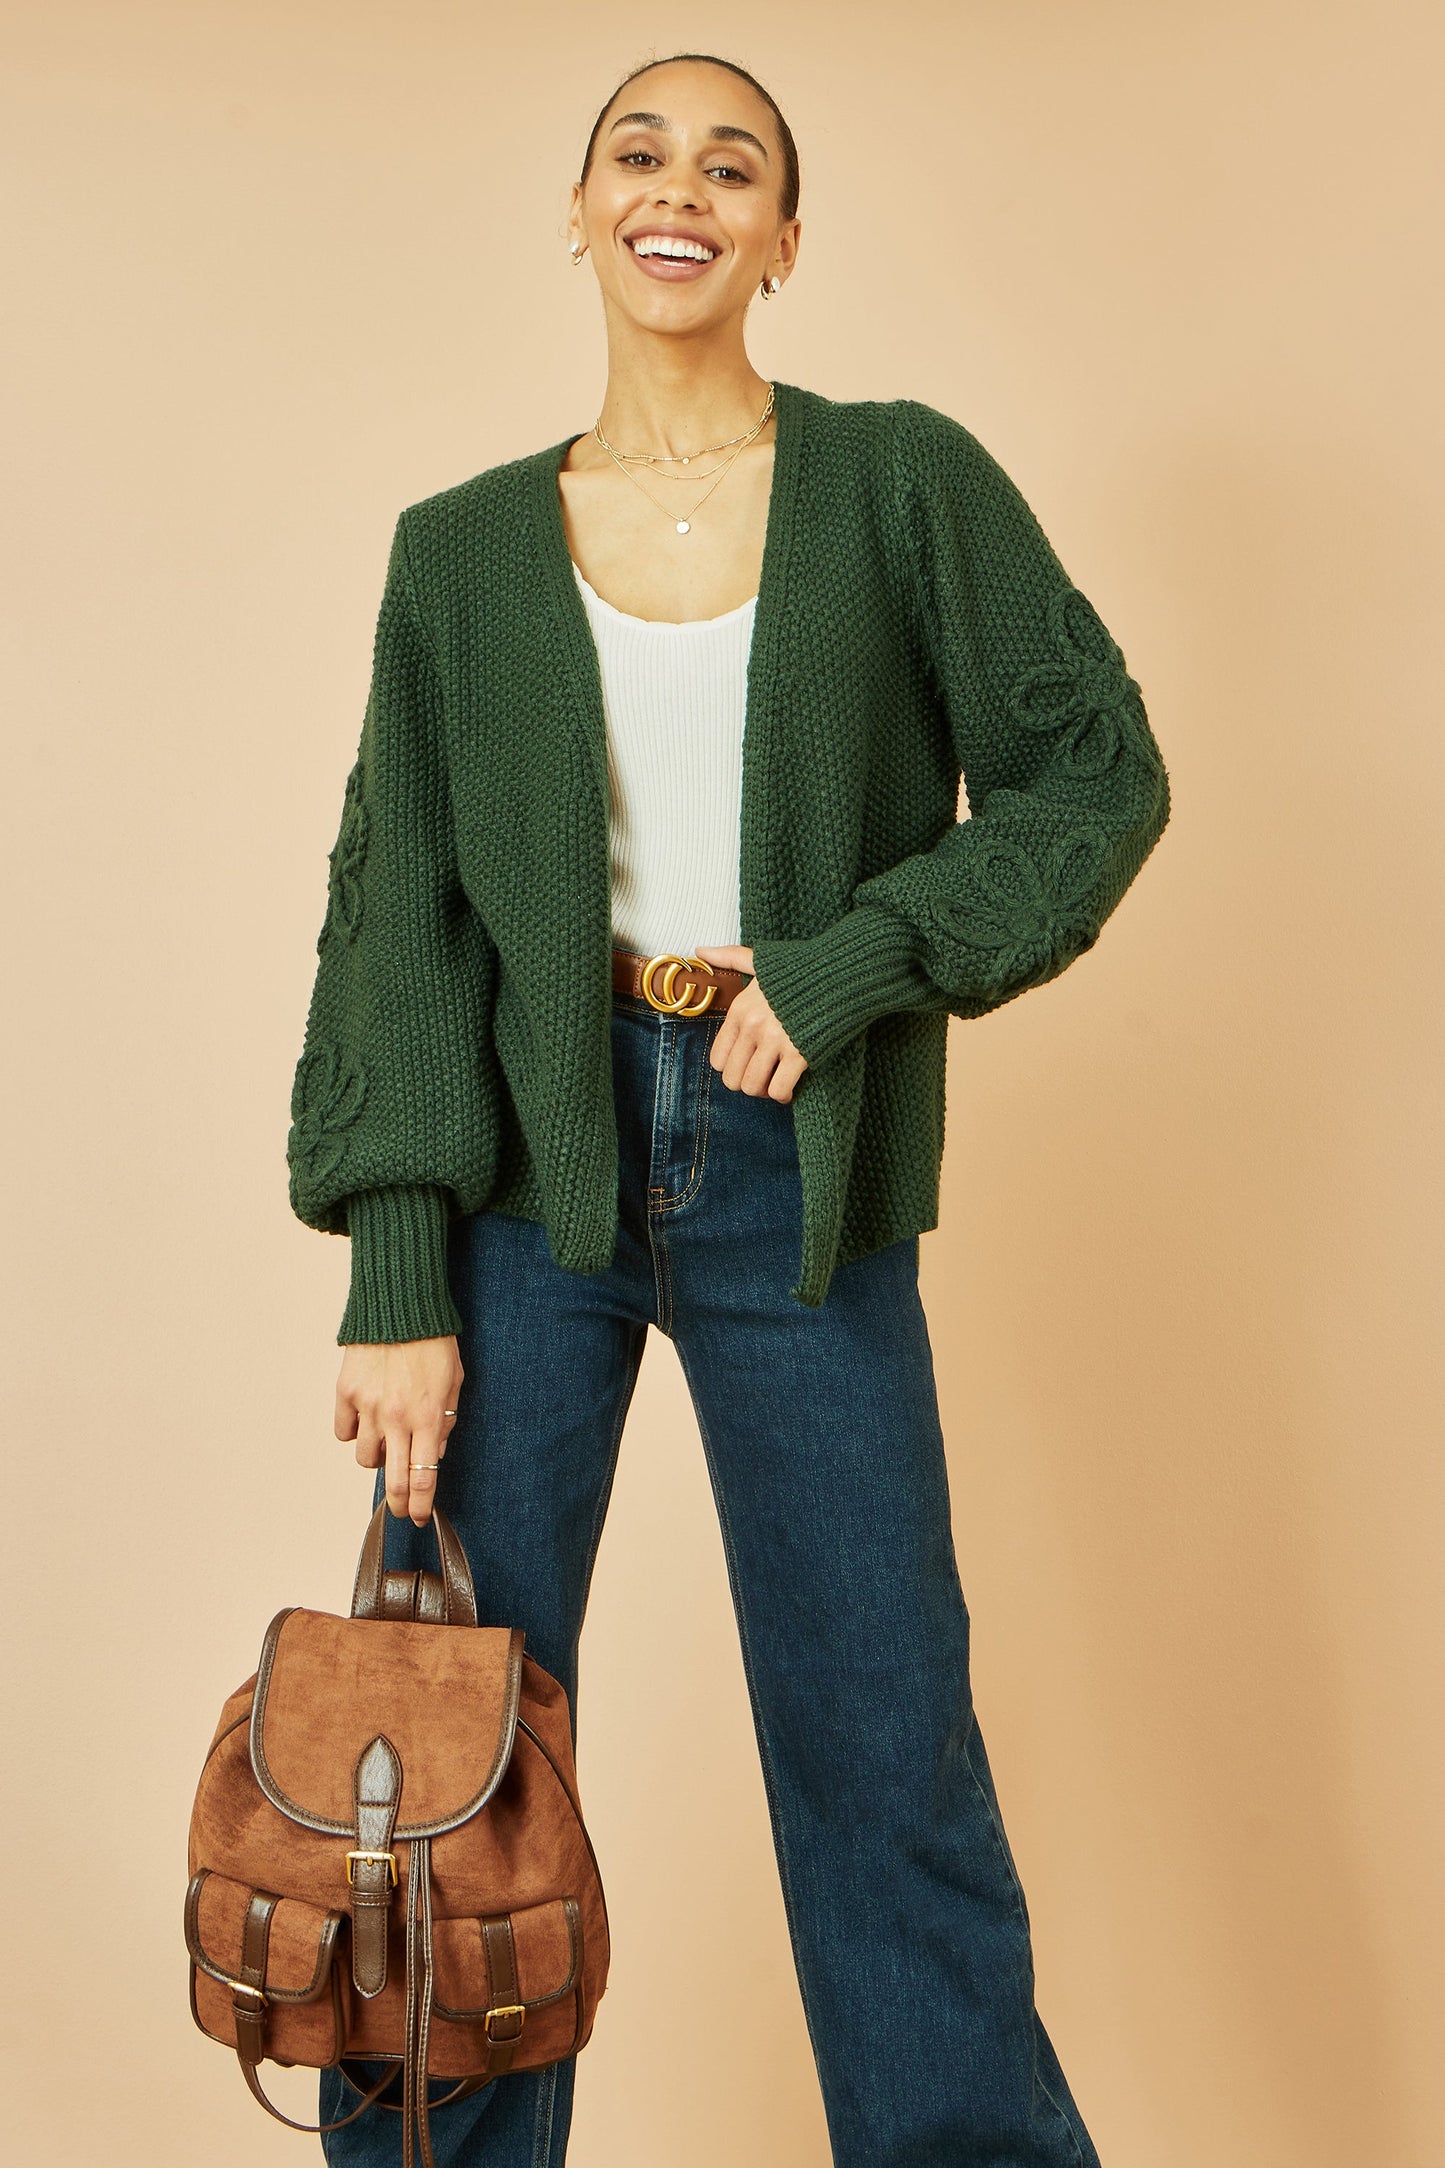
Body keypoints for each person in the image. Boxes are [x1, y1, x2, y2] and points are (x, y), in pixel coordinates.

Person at [286, 48, 1170, 2168]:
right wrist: (399, 1268)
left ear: (784, 236)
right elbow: (398, 918)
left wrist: (857, 960)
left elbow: (1094, 772)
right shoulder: (461, 556)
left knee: (886, 1740)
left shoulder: (896, 482)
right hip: (524, 1156)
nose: (681, 188)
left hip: (804, 1161)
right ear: (579, 208)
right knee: (449, 1754)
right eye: (640, 152)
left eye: (734, 163)